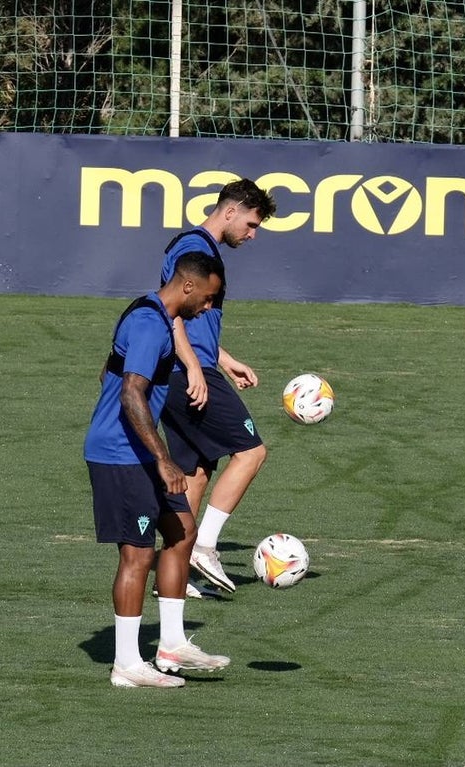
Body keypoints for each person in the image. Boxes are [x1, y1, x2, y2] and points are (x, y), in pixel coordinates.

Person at [83, 250, 232, 687]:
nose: (208, 307)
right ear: (188, 286)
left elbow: (108, 373)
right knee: (138, 553)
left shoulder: (155, 315)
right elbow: (131, 393)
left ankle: (171, 644)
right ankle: (127, 665)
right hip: (119, 455)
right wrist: (164, 458)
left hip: (140, 451)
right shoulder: (151, 323)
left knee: (183, 531)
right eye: (206, 298)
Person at [158, 179, 278, 593]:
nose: (252, 234)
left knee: (194, 472)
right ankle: (203, 547)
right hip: (186, 371)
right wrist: (195, 365)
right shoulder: (196, 250)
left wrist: (224, 360)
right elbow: (168, 308)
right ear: (229, 212)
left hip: (184, 369)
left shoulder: (197, 248)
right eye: (251, 223)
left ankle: (173, 572)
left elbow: (193, 319)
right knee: (251, 452)